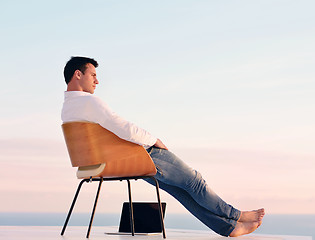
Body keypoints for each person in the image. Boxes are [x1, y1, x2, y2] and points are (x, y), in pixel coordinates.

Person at [61, 56, 265, 237]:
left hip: (110, 162)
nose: (97, 81)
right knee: (194, 181)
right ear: (78, 74)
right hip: (136, 157)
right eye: (93, 75)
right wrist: (154, 140)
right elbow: (125, 128)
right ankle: (236, 215)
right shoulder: (90, 103)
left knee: (181, 191)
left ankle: (228, 228)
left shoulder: (67, 109)